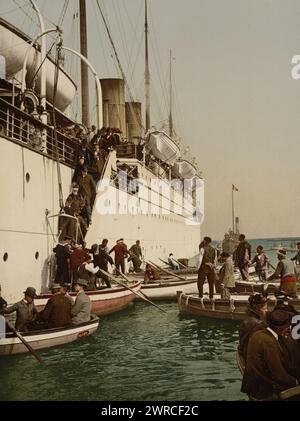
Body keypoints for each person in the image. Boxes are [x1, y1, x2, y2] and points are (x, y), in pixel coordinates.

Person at [241, 309, 298, 400]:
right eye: (288, 326)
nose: (290, 328)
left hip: (252, 384)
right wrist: (295, 382)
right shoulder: (269, 343)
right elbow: (278, 374)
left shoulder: (258, 334)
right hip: (264, 390)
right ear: (282, 328)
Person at [238, 293, 268, 360]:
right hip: (251, 356)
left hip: (246, 351)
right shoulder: (258, 324)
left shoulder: (248, 319)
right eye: (264, 308)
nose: (267, 310)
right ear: (257, 309)